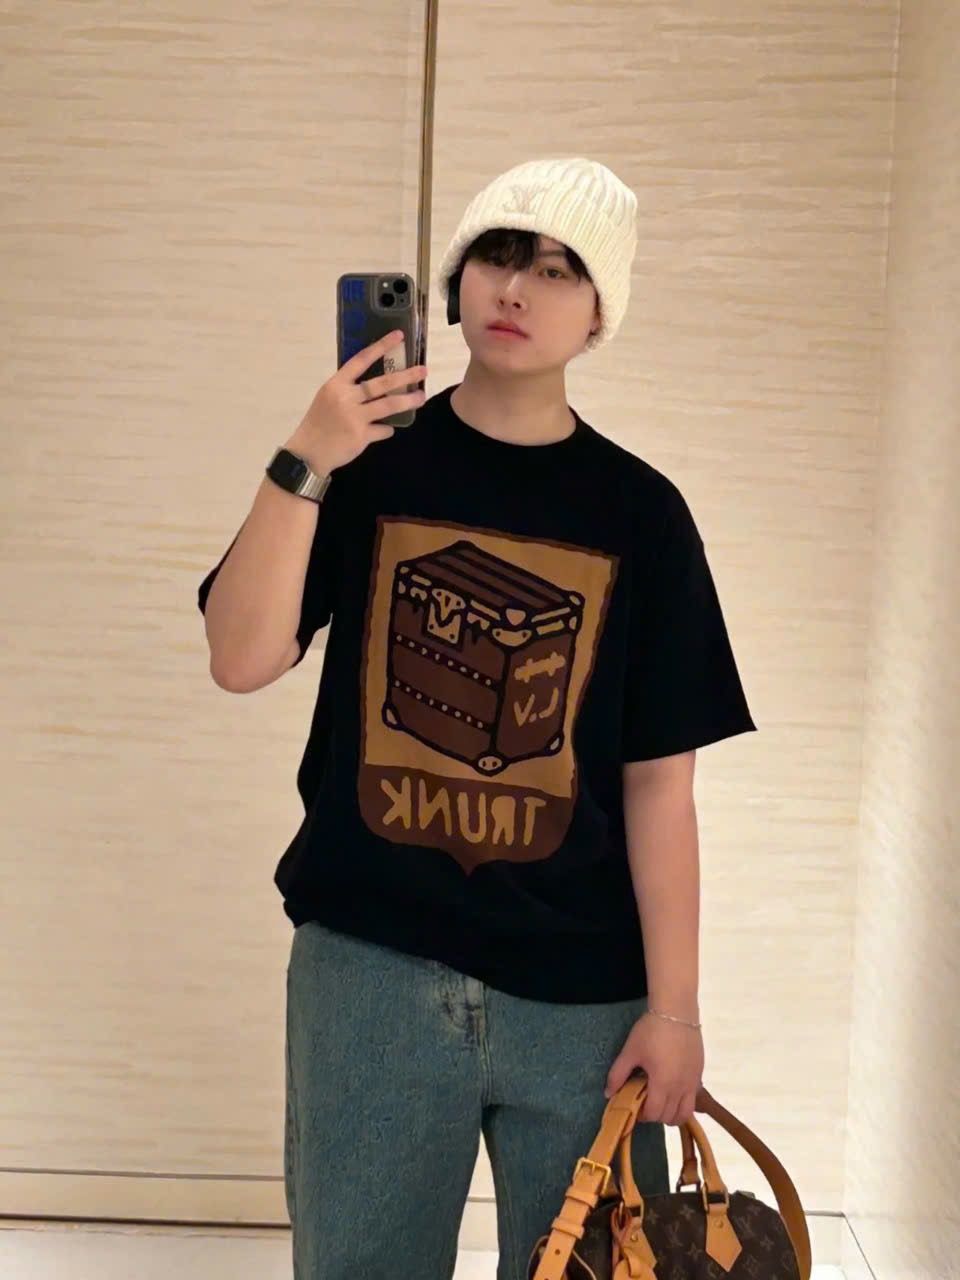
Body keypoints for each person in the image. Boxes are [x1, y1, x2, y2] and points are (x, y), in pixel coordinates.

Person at [197, 156, 757, 1280]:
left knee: (595, 1268)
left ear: (598, 314)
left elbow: (661, 781)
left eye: (558, 269)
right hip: (374, 969)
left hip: (583, 999)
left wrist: (678, 1011)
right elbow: (241, 656)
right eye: (498, 255)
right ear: (455, 281)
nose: (517, 287)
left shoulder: (643, 515)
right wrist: (306, 457)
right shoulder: (366, 469)